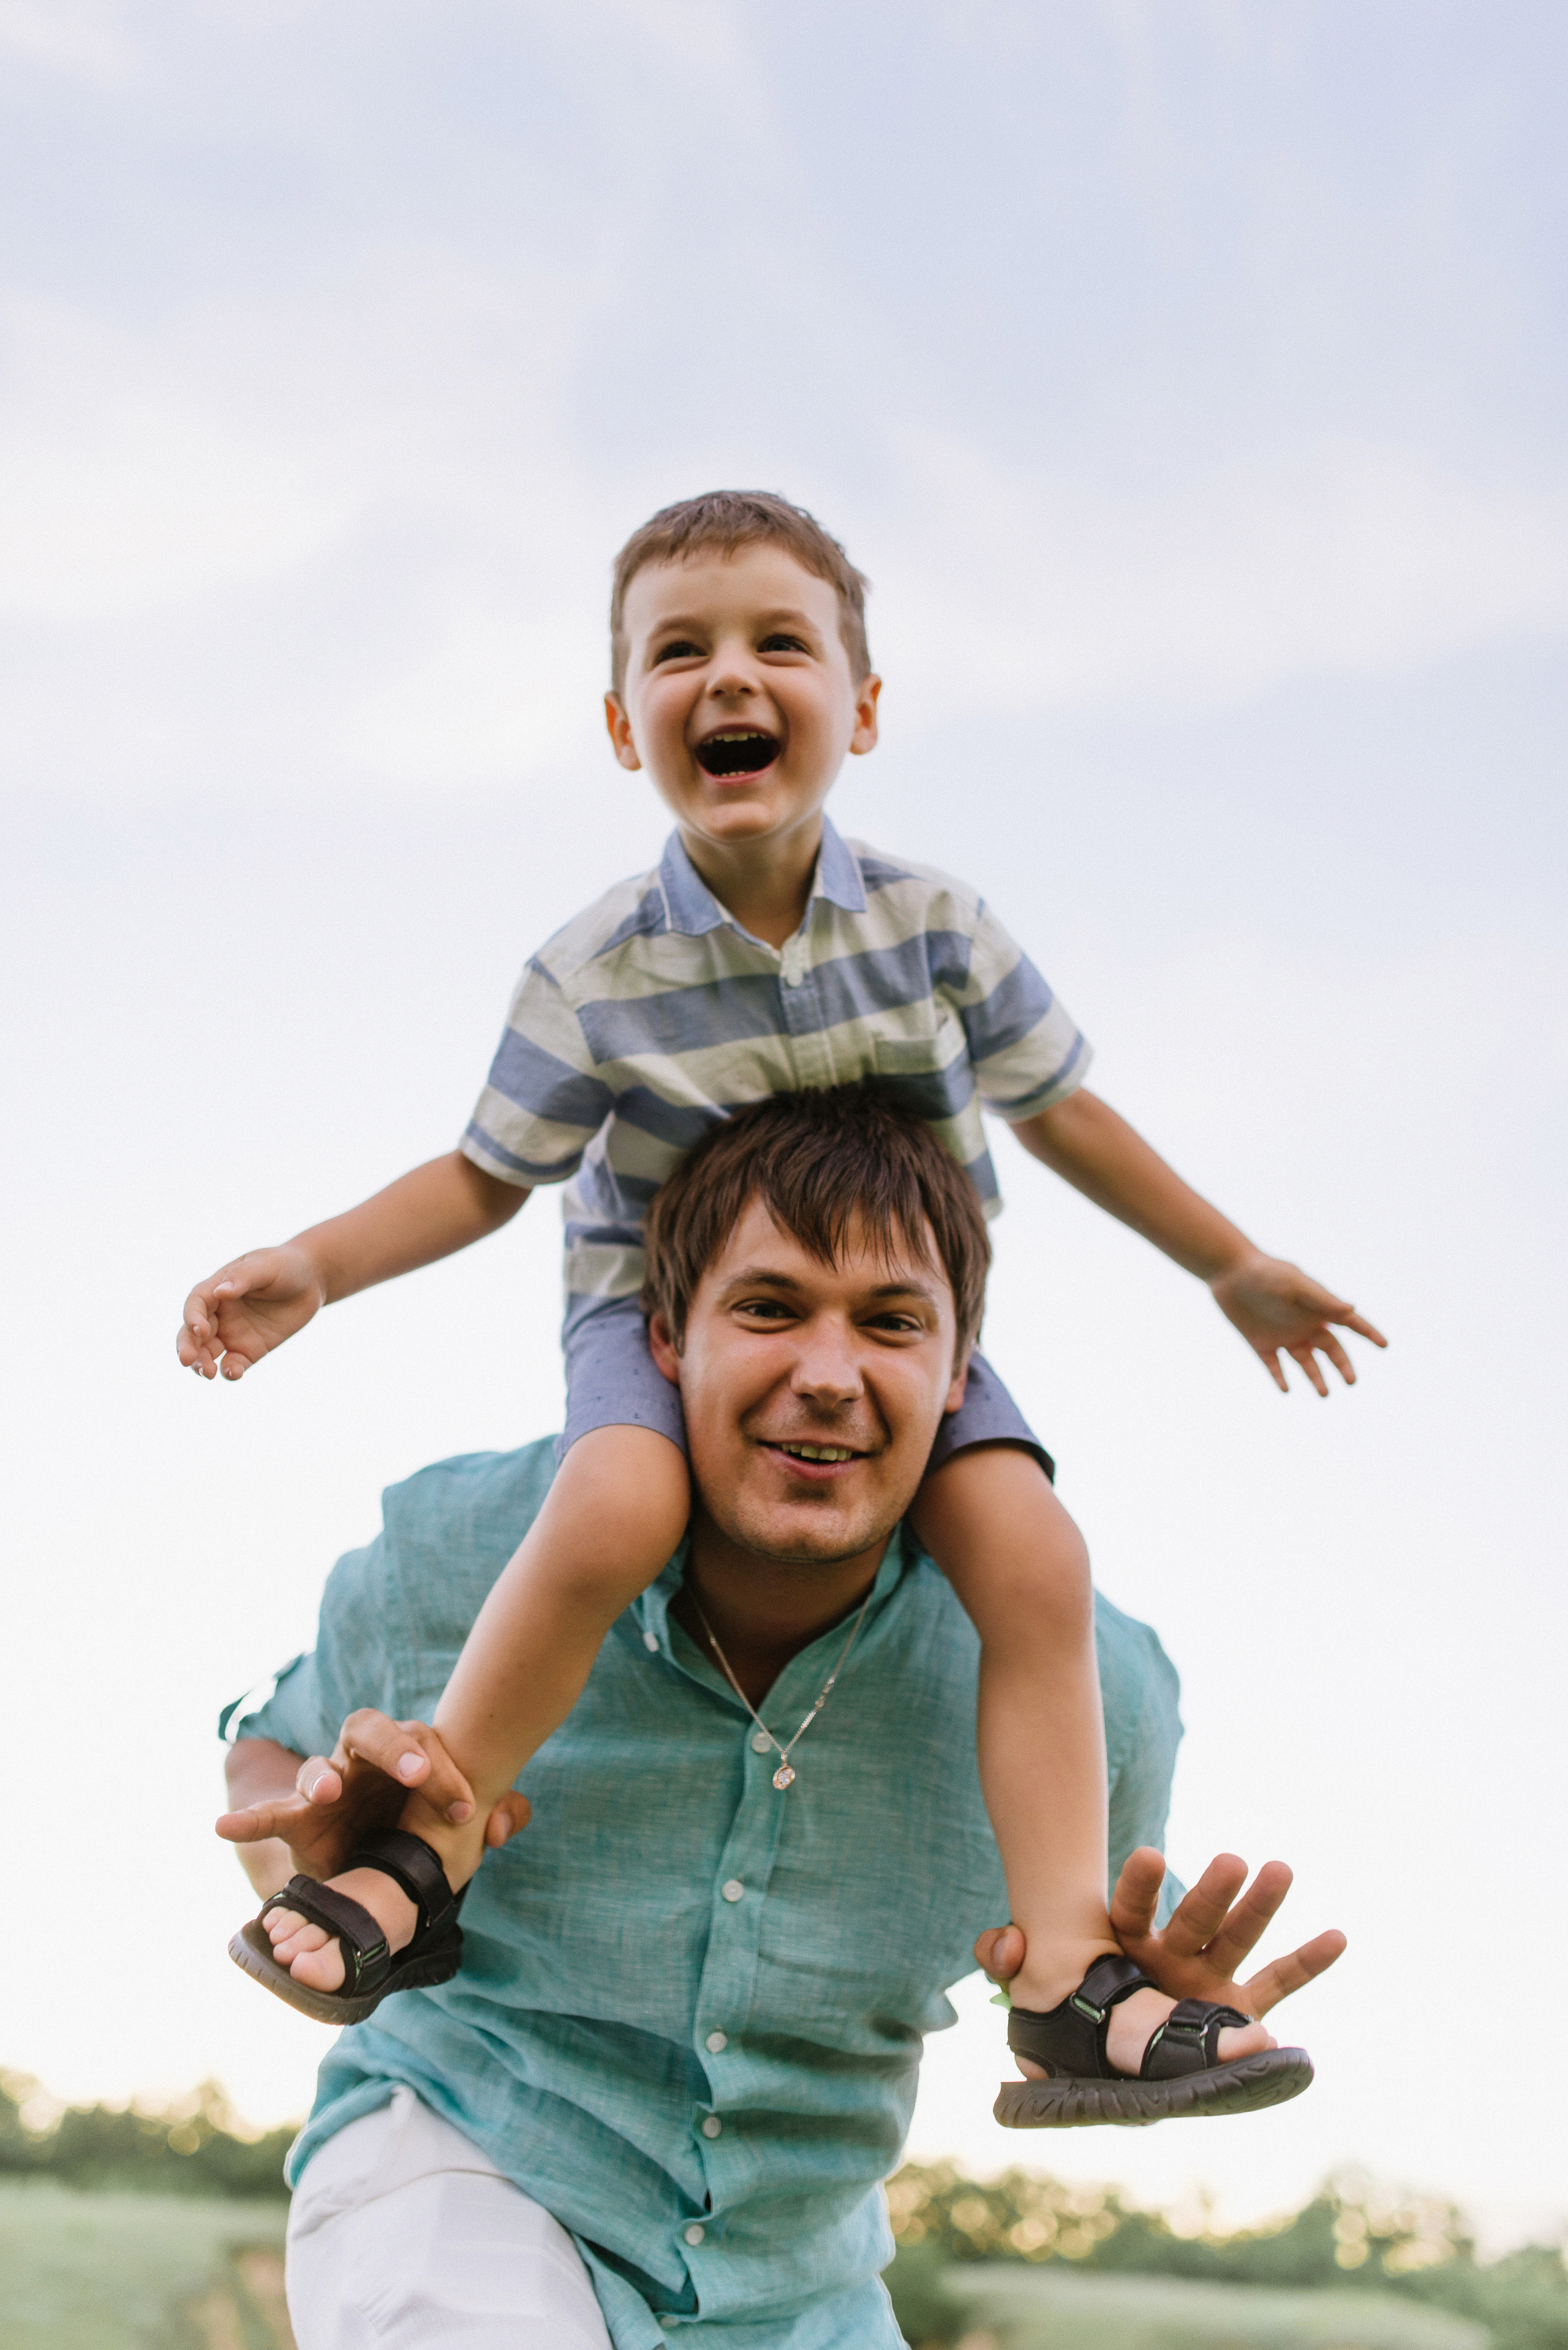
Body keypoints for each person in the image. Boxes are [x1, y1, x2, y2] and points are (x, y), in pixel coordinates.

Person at [184, 489, 1379, 2078]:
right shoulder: (592, 971)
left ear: (862, 707)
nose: (730, 676)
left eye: (780, 645)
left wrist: (1228, 1260)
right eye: (680, 650)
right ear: (624, 724)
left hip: (897, 1320)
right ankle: (425, 1852)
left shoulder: (933, 929)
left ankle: (1066, 1970)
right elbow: (482, 1174)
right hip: (656, 1318)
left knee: (1033, 1551)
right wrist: (318, 1266)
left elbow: (1060, 1108)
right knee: (614, 1506)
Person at [221, 1090, 1344, 2347]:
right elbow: (263, 1746)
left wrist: (1119, 1988)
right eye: (768, 1308)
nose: (826, 1376)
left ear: (959, 1376)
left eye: (889, 1322)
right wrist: (304, 1840)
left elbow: (1074, 1941)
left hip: (800, 2285)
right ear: (665, 1339)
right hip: (459, 2160)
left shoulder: (1094, 1691)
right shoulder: (460, 1548)